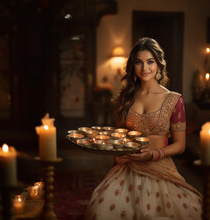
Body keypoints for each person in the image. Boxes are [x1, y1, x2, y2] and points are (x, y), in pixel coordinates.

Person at [85, 37, 202, 220]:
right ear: (133, 66)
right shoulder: (125, 98)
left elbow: (180, 145)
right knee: (101, 211)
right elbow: (119, 137)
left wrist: (151, 154)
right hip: (127, 168)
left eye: (150, 62)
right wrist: (117, 155)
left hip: (159, 167)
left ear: (159, 65)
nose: (144, 68)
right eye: (139, 62)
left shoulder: (173, 99)